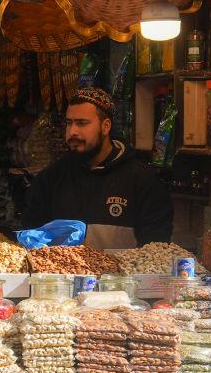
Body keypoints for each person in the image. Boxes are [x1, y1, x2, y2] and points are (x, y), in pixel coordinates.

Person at [21, 87, 173, 250]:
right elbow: (32, 242)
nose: (72, 132)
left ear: (105, 126)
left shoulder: (142, 181)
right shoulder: (50, 179)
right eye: (69, 123)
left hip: (124, 275)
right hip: (62, 275)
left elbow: (155, 251)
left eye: (81, 123)